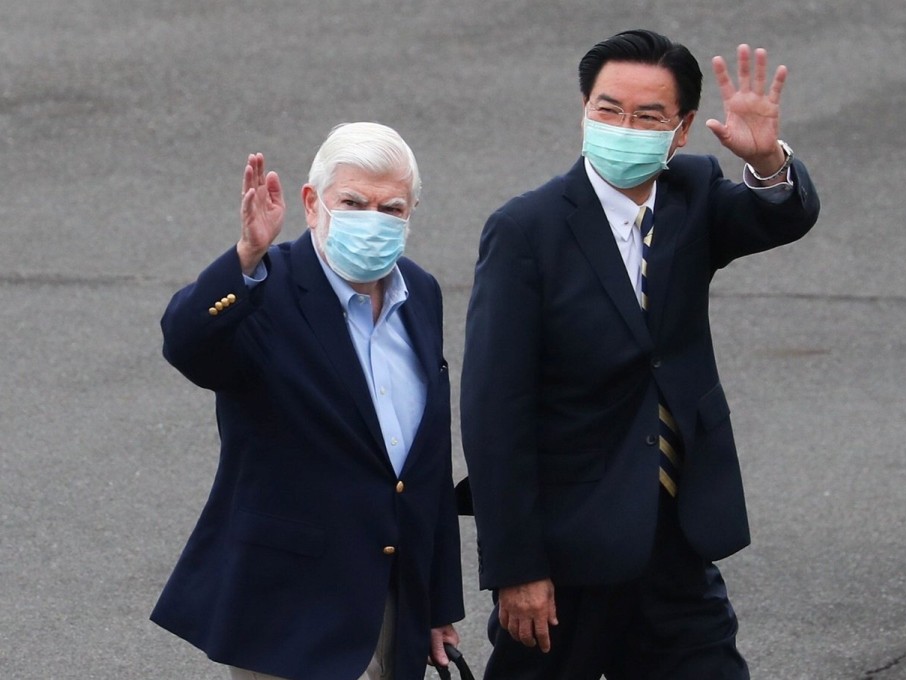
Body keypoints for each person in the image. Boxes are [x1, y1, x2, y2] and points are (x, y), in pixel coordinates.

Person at [460, 29, 821, 679]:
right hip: (568, 553)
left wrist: (768, 162)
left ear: (680, 130)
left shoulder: (692, 194)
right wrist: (518, 569)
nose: (623, 127)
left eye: (647, 116)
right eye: (607, 109)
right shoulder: (526, 231)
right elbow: (494, 414)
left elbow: (779, 216)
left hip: (678, 538)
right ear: (584, 109)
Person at [151, 122, 464, 680]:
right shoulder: (265, 288)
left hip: (394, 598)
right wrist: (246, 255)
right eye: (352, 202)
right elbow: (186, 344)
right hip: (291, 604)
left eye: (391, 208)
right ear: (311, 204)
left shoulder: (421, 293)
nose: (372, 219)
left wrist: (437, 604)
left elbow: (426, 463)